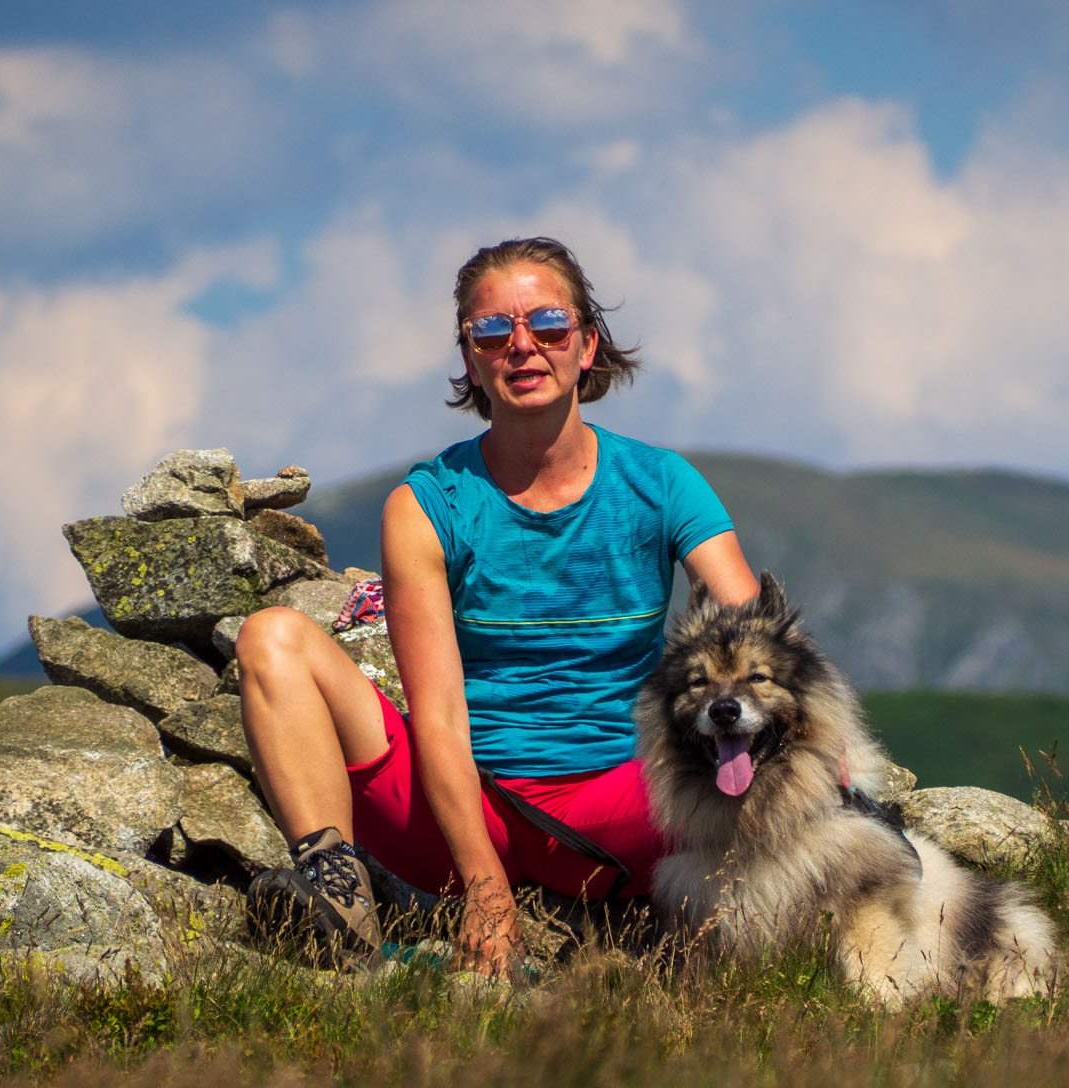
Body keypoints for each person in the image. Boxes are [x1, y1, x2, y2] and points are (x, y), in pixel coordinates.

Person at [238, 237, 758, 977]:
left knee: (765, 760)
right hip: (460, 812)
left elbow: (757, 644)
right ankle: (340, 904)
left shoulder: (662, 483)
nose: (523, 346)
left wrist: (828, 768)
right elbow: (440, 715)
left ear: (587, 345)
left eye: (548, 326)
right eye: (493, 331)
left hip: (627, 806)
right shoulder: (427, 504)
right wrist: (484, 887)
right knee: (272, 639)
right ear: (471, 358)